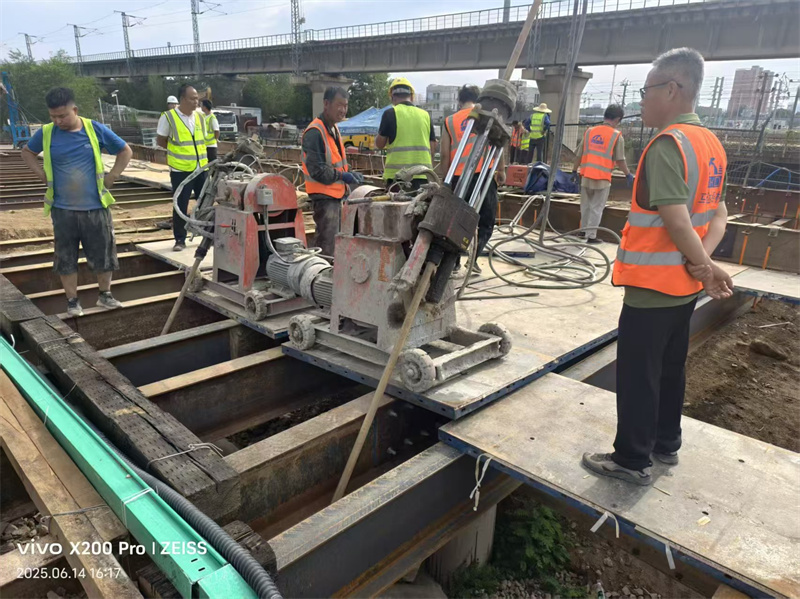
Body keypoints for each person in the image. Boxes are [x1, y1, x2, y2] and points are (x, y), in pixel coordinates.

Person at [583, 48, 734, 486]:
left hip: (653, 285)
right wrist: (703, 265)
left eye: (646, 91)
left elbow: (676, 219)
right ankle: (666, 442)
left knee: (638, 373)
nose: (642, 100)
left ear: (672, 89)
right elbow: (719, 215)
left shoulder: (668, 144)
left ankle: (631, 459)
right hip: (684, 287)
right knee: (670, 367)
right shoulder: (711, 145)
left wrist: (704, 265)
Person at [21, 87, 132, 317]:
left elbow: (125, 151)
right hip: (63, 209)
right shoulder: (47, 132)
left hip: (95, 207)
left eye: (62, 116)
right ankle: (72, 301)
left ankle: (105, 295)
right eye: (53, 116)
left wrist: (113, 176)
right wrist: (41, 174)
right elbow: (27, 152)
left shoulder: (93, 128)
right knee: (66, 257)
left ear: (75, 110)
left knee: (103, 254)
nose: (58, 121)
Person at [439, 84, 505, 276]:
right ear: (478, 100)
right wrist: (501, 169)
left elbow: (444, 155)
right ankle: (473, 259)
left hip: (458, 177)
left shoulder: (449, 121)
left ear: (459, 101)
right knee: (486, 222)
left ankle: (453, 263)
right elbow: (498, 144)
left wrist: (446, 181)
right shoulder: (487, 117)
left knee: (456, 222)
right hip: (483, 175)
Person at [301, 87, 364, 257]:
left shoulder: (333, 129)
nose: (343, 110)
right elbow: (317, 170)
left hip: (336, 196)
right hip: (324, 198)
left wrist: (350, 173)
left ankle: (332, 271)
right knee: (327, 245)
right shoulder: (315, 132)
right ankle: (323, 272)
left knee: (337, 244)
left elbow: (336, 162)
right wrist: (343, 176)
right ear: (326, 104)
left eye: (345, 106)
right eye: (339, 105)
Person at [156, 84, 208, 252]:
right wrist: (177, 152)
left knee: (205, 202)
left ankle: (205, 235)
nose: (196, 101)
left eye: (197, 98)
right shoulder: (169, 117)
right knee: (181, 205)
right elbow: (161, 140)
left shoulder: (200, 116)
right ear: (183, 99)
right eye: (193, 98)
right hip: (181, 170)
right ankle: (180, 239)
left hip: (201, 168)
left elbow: (203, 140)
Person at [572, 104, 633, 244]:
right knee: (596, 208)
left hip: (586, 176)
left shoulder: (589, 132)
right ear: (617, 119)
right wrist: (628, 174)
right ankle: (591, 236)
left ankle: (583, 231)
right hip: (602, 179)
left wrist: (574, 171)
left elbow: (579, 155)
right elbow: (620, 160)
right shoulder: (616, 136)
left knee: (585, 206)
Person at [376, 77, 436, 191]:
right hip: (424, 177)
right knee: (421, 203)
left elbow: (379, 144)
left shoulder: (390, 113)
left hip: (398, 179)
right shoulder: (425, 115)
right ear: (412, 97)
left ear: (392, 97)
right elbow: (432, 146)